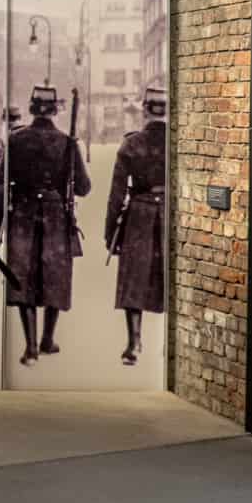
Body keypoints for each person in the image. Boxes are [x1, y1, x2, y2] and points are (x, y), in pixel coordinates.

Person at [0, 86, 91, 365]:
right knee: (55, 276)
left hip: (22, 214)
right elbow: (84, 187)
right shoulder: (66, 143)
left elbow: (0, 186)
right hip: (56, 216)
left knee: (24, 277)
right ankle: (48, 339)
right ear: (56, 110)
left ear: (32, 108)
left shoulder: (16, 140)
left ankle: (30, 346)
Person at [104, 87, 167, 365]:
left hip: (139, 214)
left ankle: (134, 342)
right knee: (172, 275)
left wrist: (111, 234)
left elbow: (116, 193)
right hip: (172, 212)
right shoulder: (182, 141)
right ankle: (171, 342)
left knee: (134, 277)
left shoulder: (131, 145)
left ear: (144, 110)